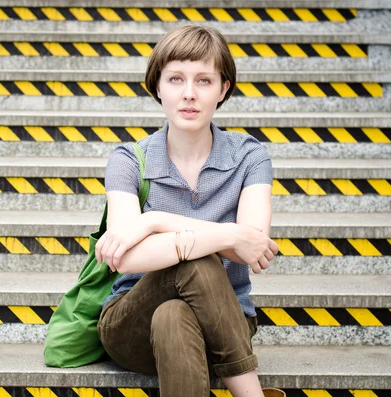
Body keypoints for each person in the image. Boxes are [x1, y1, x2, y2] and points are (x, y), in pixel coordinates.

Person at [94, 24, 280, 397]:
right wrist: (226, 234)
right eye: (176, 78)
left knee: (174, 314)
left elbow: (254, 247)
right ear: (158, 86)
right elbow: (125, 258)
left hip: (224, 325)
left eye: (204, 81)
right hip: (132, 324)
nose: (189, 94)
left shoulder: (249, 157)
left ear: (223, 88)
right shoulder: (130, 160)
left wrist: (155, 221)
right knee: (198, 260)